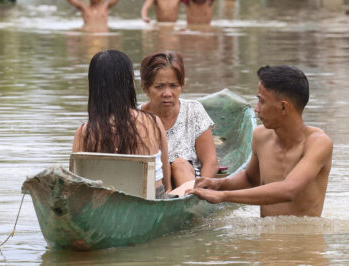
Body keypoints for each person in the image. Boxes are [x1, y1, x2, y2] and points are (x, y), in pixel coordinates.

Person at [188, 65, 333, 217]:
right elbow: (250, 179)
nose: (257, 109)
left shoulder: (318, 143)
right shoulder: (261, 136)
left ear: (283, 107)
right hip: (267, 235)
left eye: (261, 101)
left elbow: (289, 190)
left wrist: (224, 196)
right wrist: (218, 184)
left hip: (302, 238)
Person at [72, 50, 172, 197]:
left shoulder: (84, 132)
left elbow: (76, 185)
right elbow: (166, 183)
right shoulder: (153, 122)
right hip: (150, 200)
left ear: (93, 86)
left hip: (101, 204)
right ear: (130, 83)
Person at [140, 51, 218, 193]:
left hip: (189, 182)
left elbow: (210, 161)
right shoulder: (136, 118)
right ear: (145, 88)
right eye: (159, 87)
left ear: (181, 85)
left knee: (180, 164)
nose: (167, 93)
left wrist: (201, 189)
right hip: (154, 184)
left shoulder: (193, 110)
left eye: (174, 86)